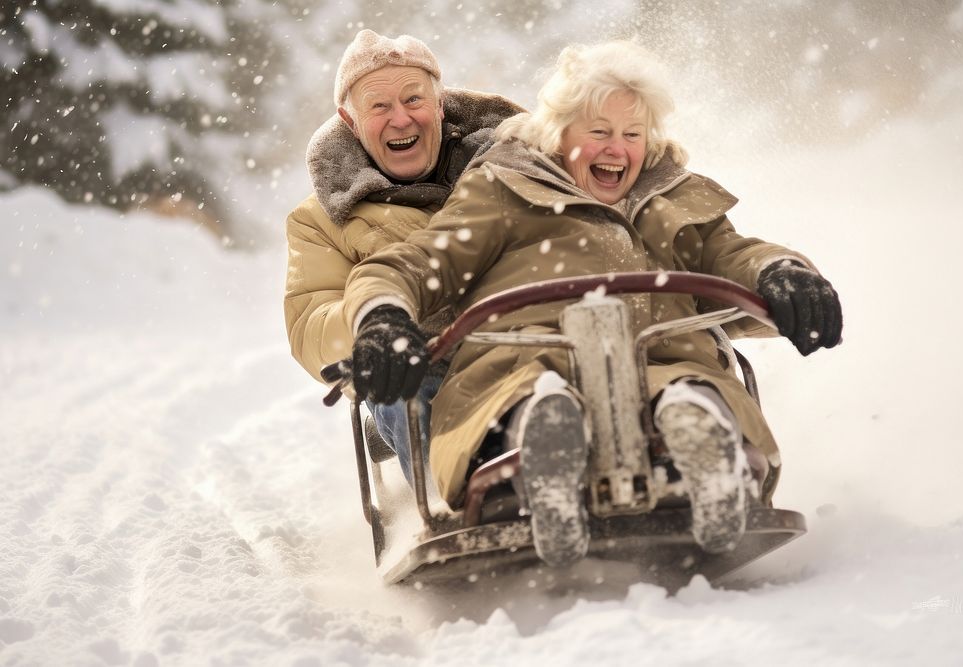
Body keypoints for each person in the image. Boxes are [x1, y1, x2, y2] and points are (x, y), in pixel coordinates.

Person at [340, 41, 842, 566]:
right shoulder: (505, 191)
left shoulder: (674, 199)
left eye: (632, 135)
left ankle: (700, 444)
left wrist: (782, 273)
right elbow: (415, 264)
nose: (615, 149)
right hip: (528, 356)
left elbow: (733, 253)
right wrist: (383, 315)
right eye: (598, 132)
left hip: (658, 356)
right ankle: (539, 450)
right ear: (558, 134)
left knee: (684, 385)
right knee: (529, 391)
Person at [283, 30, 522, 483]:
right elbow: (309, 322)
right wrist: (372, 325)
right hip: (423, 363)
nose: (400, 120)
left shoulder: (513, 165)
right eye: (378, 106)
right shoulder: (322, 219)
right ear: (350, 121)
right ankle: (457, 509)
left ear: (440, 105)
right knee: (411, 392)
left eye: (413, 100)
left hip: (529, 339)